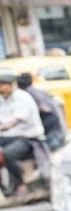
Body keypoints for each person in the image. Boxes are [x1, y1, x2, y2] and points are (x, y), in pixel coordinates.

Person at [0, 70, 43, 200]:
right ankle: (4, 187)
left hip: (28, 137)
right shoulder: (3, 99)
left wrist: (3, 127)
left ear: (10, 84)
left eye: (2, 84)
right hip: (9, 136)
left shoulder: (22, 97)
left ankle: (20, 185)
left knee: (7, 154)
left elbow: (16, 120)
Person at [17, 72, 66, 150]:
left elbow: (44, 109)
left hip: (49, 123)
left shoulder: (26, 94)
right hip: (56, 123)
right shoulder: (38, 91)